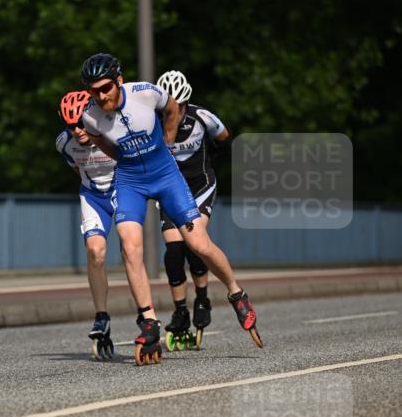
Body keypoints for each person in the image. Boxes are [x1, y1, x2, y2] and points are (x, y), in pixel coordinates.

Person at [79, 53, 261, 363]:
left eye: (106, 88)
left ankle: (235, 292)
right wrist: (122, 158)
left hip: (165, 176)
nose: (101, 95)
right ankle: (148, 321)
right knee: (129, 246)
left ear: (119, 80)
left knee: (197, 243)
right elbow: (100, 141)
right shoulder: (90, 116)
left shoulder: (145, 93)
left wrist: (167, 138)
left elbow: (173, 108)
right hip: (131, 181)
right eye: (94, 90)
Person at [155, 69, 230, 348]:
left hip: (200, 185)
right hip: (171, 190)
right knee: (174, 250)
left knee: (195, 245)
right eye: (166, 108)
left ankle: (202, 298)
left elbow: (226, 138)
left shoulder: (202, 117)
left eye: (179, 106)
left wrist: (212, 157)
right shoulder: (153, 122)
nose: (173, 112)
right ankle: (180, 311)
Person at [56, 90, 117, 359]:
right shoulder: (63, 143)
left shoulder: (113, 130)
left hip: (123, 189)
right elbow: (76, 169)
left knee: (131, 249)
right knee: (95, 252)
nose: (77, 131)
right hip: (93, 194)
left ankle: (146, 315)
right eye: (71, 126)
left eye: (81, 123)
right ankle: (101, 316)